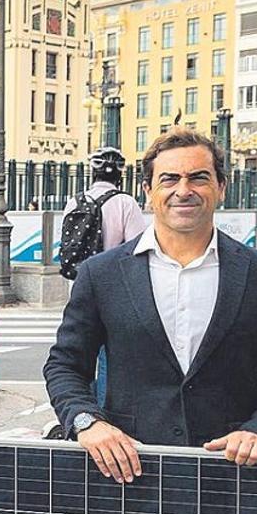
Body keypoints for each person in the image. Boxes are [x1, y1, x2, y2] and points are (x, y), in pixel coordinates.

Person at [43, 127, 257, 483]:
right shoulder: (102, 274)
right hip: (128, 472)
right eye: (169, 179)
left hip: (233, 473)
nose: (183, 190)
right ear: (148, 191)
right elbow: (65, 365)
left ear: (221, 187)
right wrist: (87, 422)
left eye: (199, 178)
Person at [61, 147, 148, 402]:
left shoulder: (74, 201)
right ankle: (103, 409)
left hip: (77, 285)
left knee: (79, 350)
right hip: (113, 288)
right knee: (108, 353)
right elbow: (137, 250)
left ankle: (81, 406)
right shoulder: (125, 203)